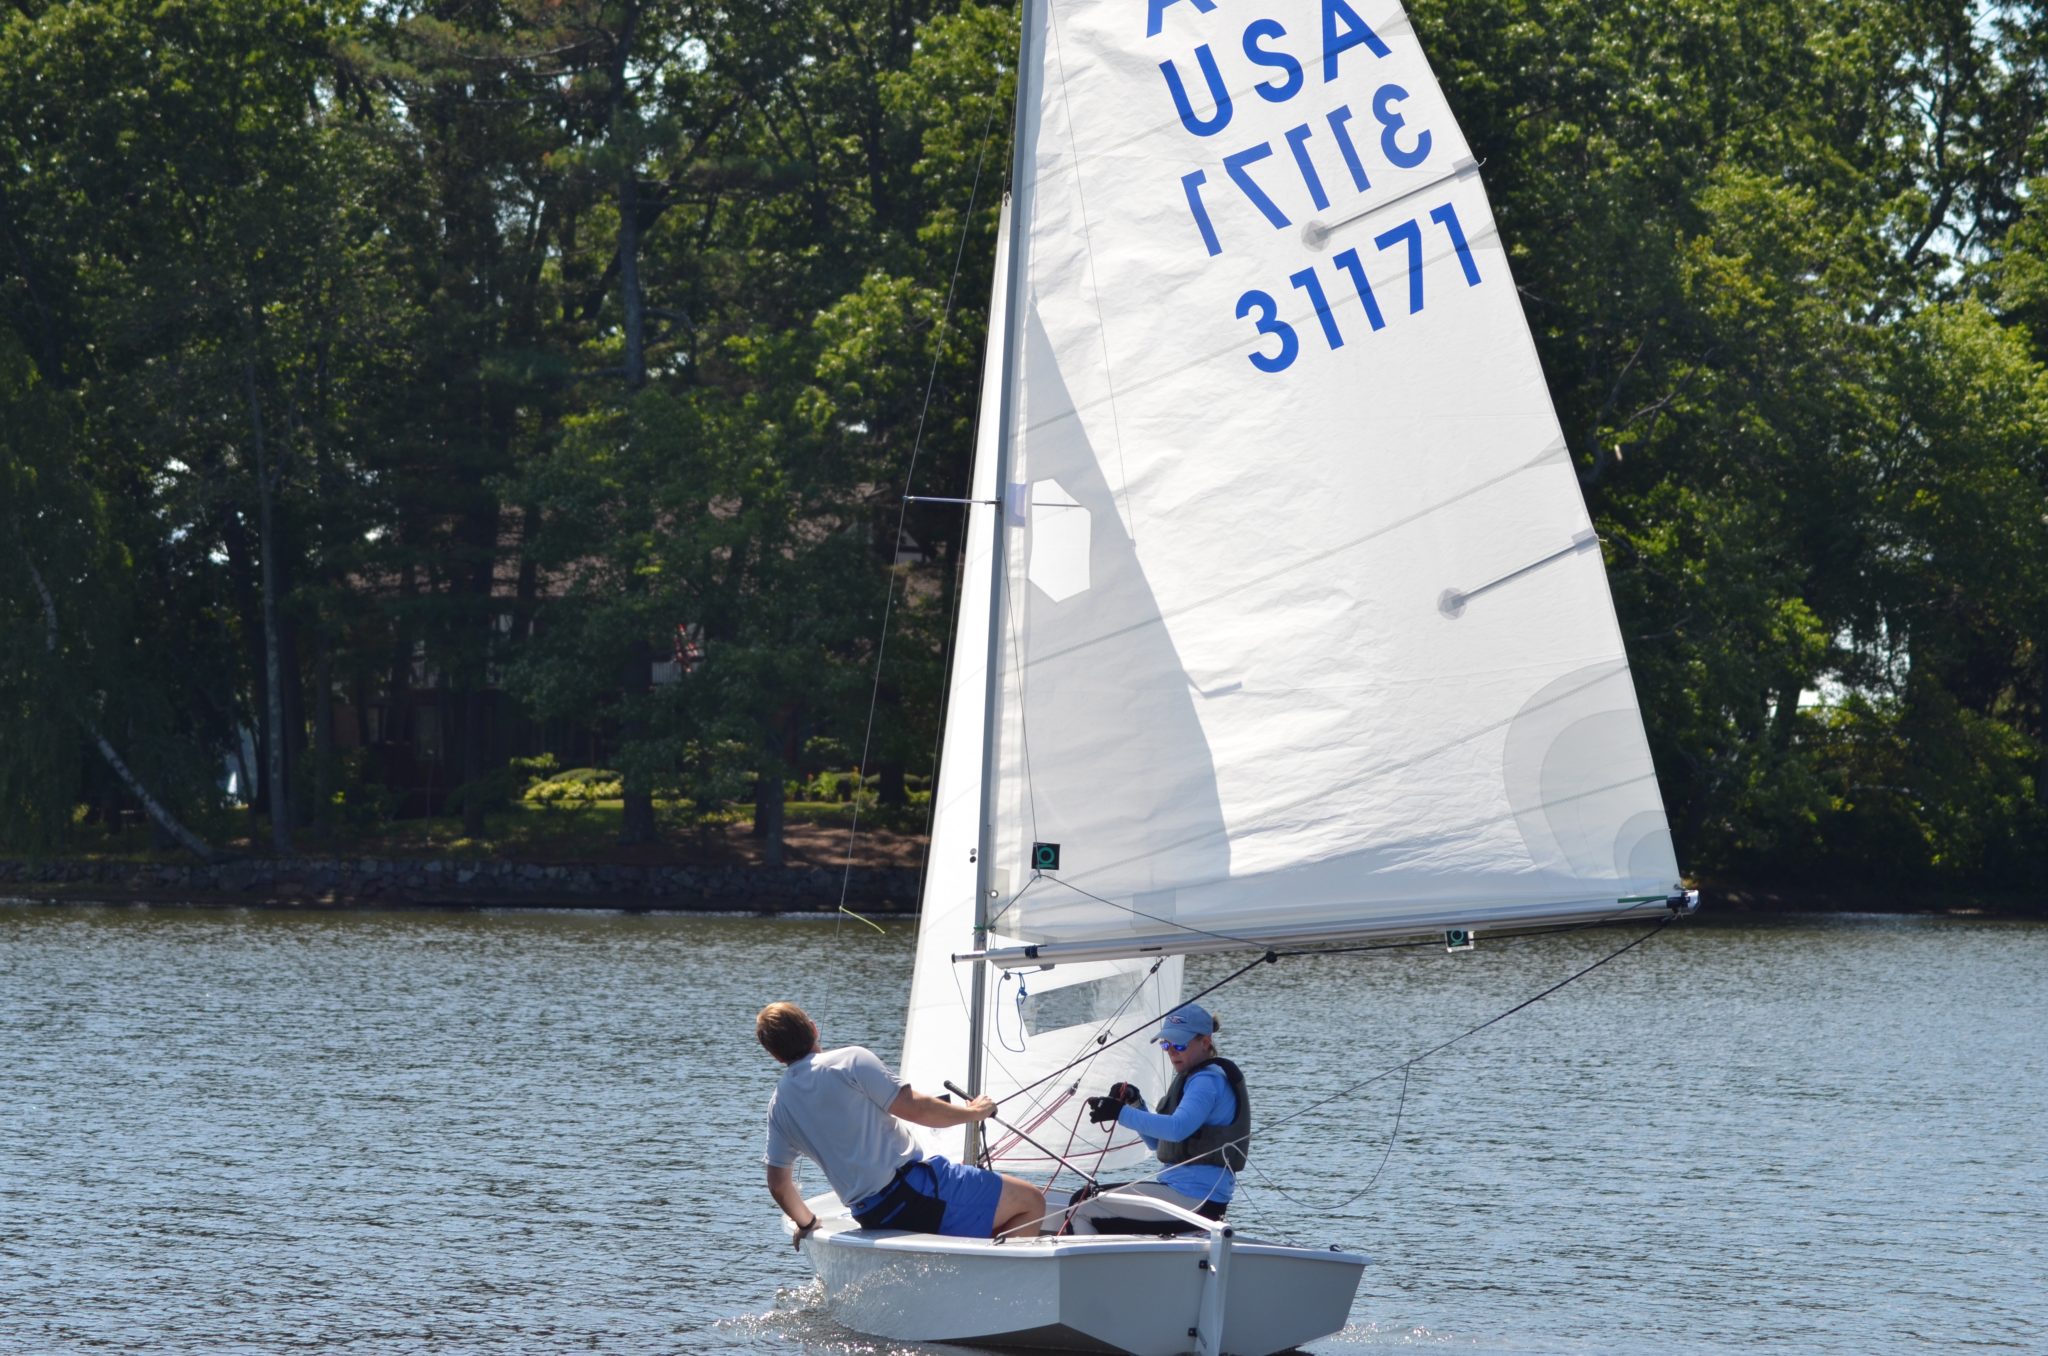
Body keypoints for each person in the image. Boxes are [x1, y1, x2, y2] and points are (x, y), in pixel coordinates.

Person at [757, 1001, 1047, 1246]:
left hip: (871, 1214)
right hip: (913, 1194)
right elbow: (917, 1110)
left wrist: (807, 1223)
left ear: (774, 1054)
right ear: (813, 1028)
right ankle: (1001, 1285)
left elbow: (778, 1185)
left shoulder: (778, 1104)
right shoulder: (850, 1060)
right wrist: (974, 1112)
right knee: (1032, 1202)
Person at [1065, 1003, 1250, 1235]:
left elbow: (1176, 1129)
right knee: (1086, 1202)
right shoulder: (1192, 1078)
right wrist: (1135, 1104)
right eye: (1166, 1044)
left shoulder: (1206, 1081)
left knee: (1080, 1207)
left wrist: (1119, 1112)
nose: (1172, 1052)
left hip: (1194, 1200)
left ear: (1205, 1042)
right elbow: (1157, 1142)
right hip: (1187, 1196)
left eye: (1180, 1044)